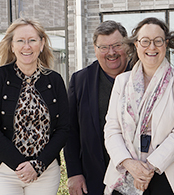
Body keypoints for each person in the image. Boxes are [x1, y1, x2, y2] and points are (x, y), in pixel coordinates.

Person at [103, 17, 174, 195]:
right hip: (127, 172)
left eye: (158, 41)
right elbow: (111, 128)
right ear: (136, 45)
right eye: (145, 41)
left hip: (168, 173)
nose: (151, 47)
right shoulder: (122, 82)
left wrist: (148, 168)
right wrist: (129, 163)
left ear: (166, 44)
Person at [0, 18, 69, 195]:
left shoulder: (54, 80)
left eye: (32, 40)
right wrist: (21, 165)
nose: (27, 46)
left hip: (45, 173)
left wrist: (38, 165)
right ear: (11, 46)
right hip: (1, 172)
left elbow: (64, 128)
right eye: (20, 41)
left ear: (41, 44)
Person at [63, 20, 129, 195]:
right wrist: (74, 173)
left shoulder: (143, 75)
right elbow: (70, 131)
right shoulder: (80, 80)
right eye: (104, 47)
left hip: (137, 179)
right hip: (93, 179)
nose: (111, 52)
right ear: (95, 49)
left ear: (127, 46)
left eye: (116, 45)